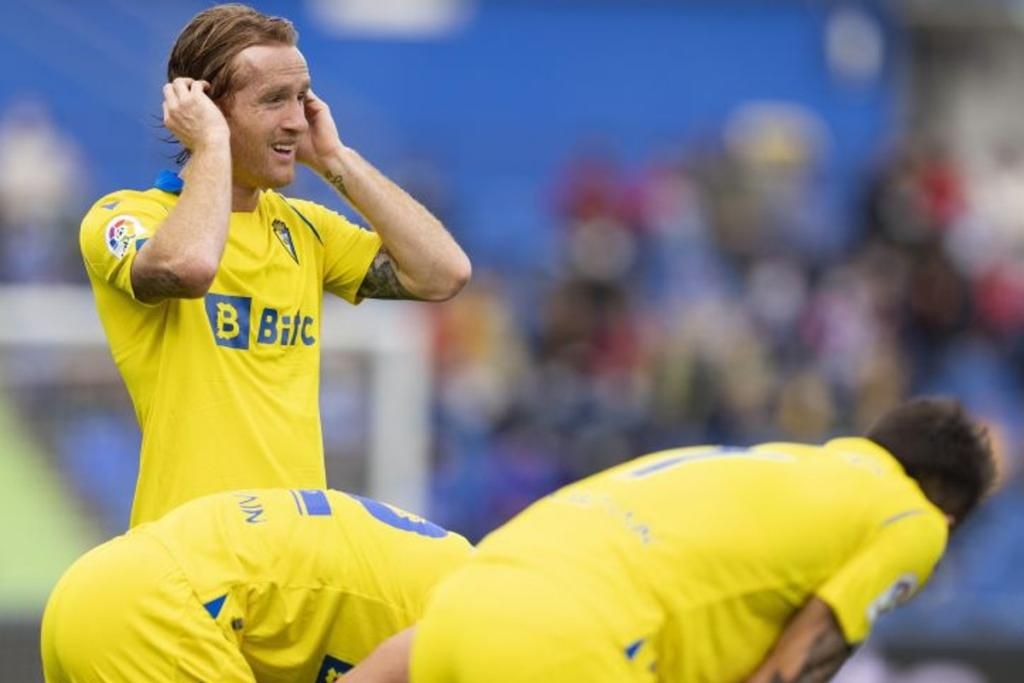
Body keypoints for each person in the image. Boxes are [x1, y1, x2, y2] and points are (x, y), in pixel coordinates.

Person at [78, 4, 471, 527]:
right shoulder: (126, 217)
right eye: (273, 100)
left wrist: (334, 158)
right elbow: (192, 266)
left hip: (294, 550)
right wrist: (212, 144)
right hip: (190, 547)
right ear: (207, 107)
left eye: (302, 98)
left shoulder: (306, 229)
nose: (295, 119)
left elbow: (444, 273)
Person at [340, 397, 996, 683]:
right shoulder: (912, 517)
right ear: (948, 506)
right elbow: (796, 663)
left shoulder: (771, 464)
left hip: (460, 609)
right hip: (570, 645)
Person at [40, 487, 472, 682]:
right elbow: (409, 652)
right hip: (161, 616)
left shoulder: (484, 574)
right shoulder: (506, 621)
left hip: (103, 588)